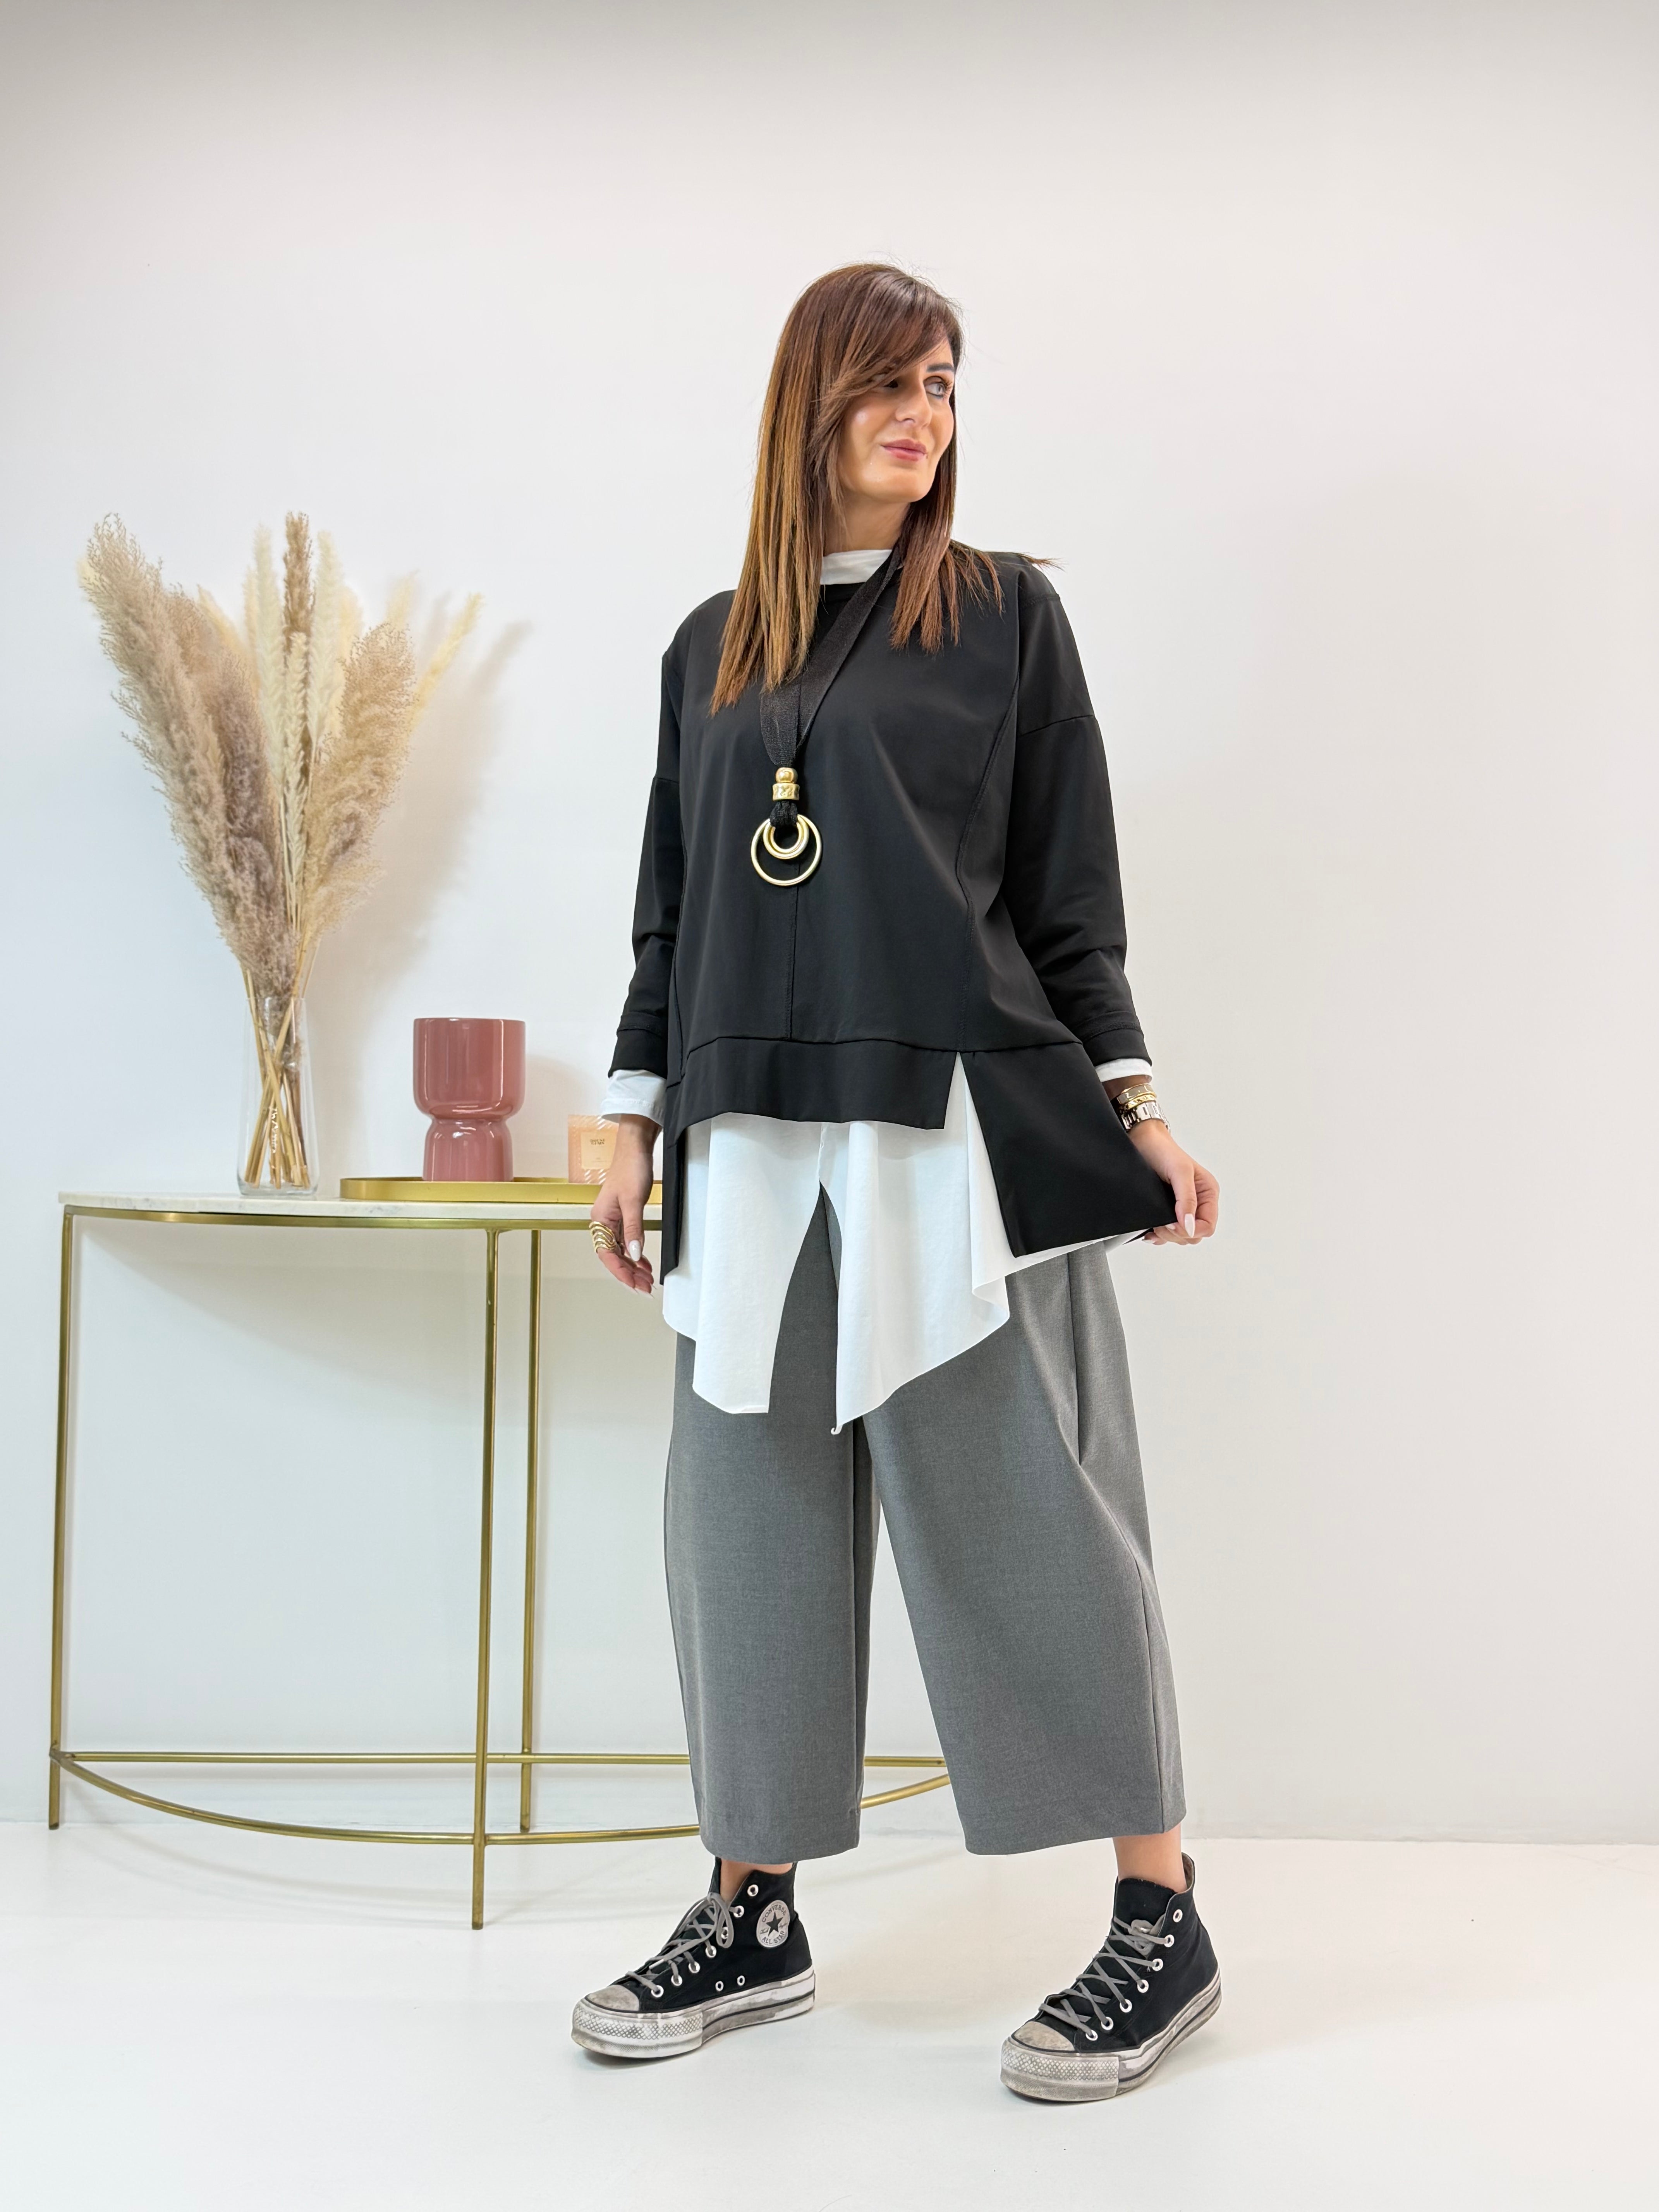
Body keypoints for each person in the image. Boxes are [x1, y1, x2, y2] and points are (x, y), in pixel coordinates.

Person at [576, 263, 1221, 2102]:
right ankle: (753, 1907)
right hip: (749, 1139)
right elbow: (672, 909)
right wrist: (630, 1114)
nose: (920, 415)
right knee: (749, 1532)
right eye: (887, 383)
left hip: (950, 1136)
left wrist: (1135, 1099)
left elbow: (1068, 895)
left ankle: (1163, 1917)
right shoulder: (713, 644)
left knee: (1038, 1526)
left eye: (941, 383)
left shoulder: (1005, 618)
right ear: (812, 404)